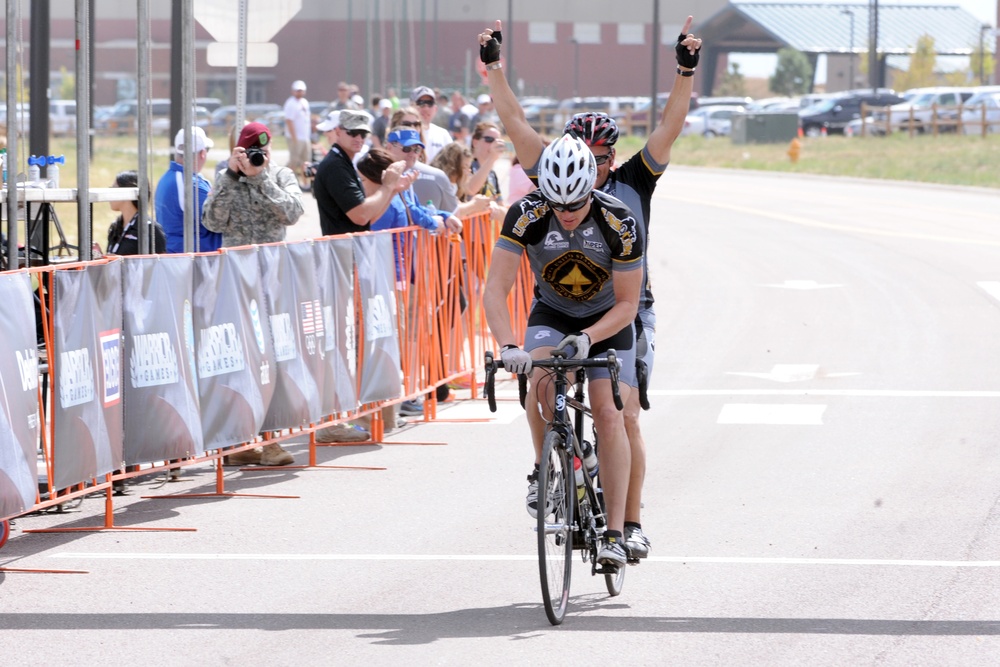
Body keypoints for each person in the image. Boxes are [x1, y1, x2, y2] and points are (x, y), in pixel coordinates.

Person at [477, 16, 702, 561]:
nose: (594, 170)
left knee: (621, 414)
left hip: (627, 308)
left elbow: (669, 127)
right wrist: (493, 71)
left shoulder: (630, 186)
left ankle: (628, 524)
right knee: (539, 377)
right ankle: (546, 470)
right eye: (588, 158)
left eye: (603, 160)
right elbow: (514, 123)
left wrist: (684, 71)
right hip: (559, 305)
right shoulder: (550, 182)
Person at [482, 136, 644, 569]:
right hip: (553, 312)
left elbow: (629, 304)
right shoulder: (527, 214)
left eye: (575, 204)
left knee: (608, 412)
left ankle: (614, 533)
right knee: (541, 384)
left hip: (608, 319)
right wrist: (509, 345)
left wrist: (591, 337)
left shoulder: (620, 221)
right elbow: (495, 289)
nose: (567, 214)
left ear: (592, 187)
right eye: (558, 204)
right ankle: (545, 468)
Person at [313, 110, 416, 237]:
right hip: (341, 250)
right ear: (338, 132)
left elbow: (367, 219)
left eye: (363, 134)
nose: (358, 138)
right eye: (353, 132)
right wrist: (387, 186)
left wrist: (393, 190)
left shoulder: (343, 162)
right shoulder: (336, 166)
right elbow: (361, 216)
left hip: (348, 248)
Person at [155, 126, 222, 254]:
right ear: (202, 153)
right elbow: (219, 221)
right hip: (192, 260)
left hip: (176, 255)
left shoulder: (167, 178)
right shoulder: (191, 184)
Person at [106, 170, 167, 255]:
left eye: (113, 189)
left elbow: (159, 264)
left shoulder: (151, 229)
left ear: (127, 192)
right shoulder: (115, 226)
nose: (109, 194)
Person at [428, 142, 492, 219]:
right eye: (465, 166)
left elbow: (457, 205)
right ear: (453, 166)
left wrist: (480, 204)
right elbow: (452, 211)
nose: (468, 171)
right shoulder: (439, 183)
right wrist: (474, 205)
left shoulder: (453, 185)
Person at [409, 86, 452, 162]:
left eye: (430, 103)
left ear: (435, 108)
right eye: (421, 103)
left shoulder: (443, 134)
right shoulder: (403, 133)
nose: (426, 108)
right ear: (411, 107)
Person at [283, 79, 312, 189]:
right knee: (294, 161)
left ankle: (305, 183)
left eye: (301, 90)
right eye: (297, 90)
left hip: (305, 137)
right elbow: (289, 120)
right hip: (295, 137)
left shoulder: (304, 102)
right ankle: (288, 182)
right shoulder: (291, 103)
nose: (299, 92)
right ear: (293, 91)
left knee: (306, 161)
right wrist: (294, 137)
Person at [467, 121, 505, 203]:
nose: (494, 144)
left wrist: (496, 209)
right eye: (489, 140)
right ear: (475, 142)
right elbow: (470, 190)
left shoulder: (492, 174)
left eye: (498, 141)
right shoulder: (466, 166)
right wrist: (491, 158)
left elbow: (502, 207)